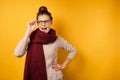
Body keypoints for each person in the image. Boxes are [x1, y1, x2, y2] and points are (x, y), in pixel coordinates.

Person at [14, 6, 77, 80]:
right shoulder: (31, 38)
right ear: (37, 23)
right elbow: (18, 54)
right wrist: (28, 32)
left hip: (54, 78)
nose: (43, 24)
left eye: (46, 21)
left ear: (51, 22)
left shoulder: (57, 39)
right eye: (40, 22)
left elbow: (73, 50)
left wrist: (63, 65)